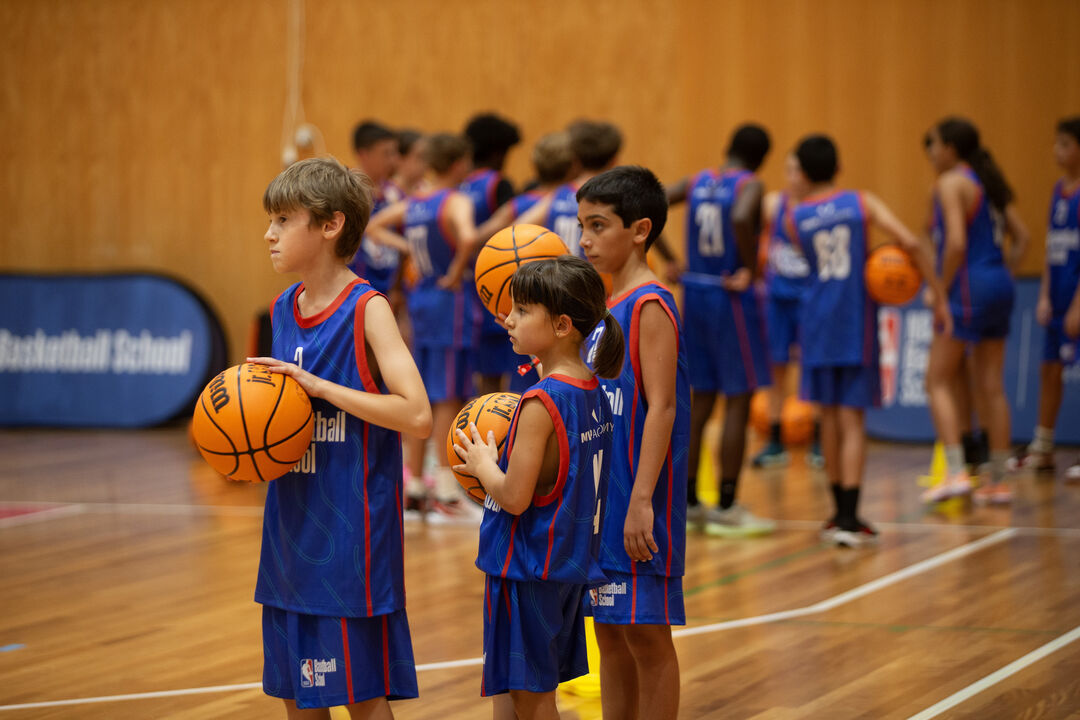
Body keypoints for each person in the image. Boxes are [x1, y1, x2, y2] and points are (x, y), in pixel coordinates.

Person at [250, 156, 433, 717]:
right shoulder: (283, 308)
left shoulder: (367, 308)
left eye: (283, 220)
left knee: (361, 700)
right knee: (297, 698)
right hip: (288, 529)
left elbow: (417, 414)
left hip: (349, 538)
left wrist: (323, 389)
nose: (269, 233)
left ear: (330, 225)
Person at [452, 256, 622, 720]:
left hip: (528, 566)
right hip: (567, 564)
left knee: (532, 697)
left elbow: (513, 496)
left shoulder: (541, 402)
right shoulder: (594, 389)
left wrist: (481, 462)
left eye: (523, 310)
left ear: (562, 324)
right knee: (513, 687)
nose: (508, 318)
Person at [788, 135, 950, 546]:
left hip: (817, 318)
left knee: (827, 416)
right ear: (838, 168)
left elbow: (811, 264)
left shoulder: (796, 217)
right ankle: (849, 516)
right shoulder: (862, 203)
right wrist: (936, 290)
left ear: (803, 174)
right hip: (854, 318)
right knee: (852, 418)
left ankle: (835, 513)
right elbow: (910, 243)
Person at [578, 166, 687, 719]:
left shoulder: (650, 304)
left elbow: (662, 406)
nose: (585, 240)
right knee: (610, 637)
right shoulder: (604, 309)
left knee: (646, 637)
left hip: (638, 501)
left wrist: (643, 498)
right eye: (582, 226)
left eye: (598, 226)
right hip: (602, 503)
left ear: (640, 229)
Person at [665, 123, 775, 536]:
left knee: (701, 401)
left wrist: (670, 258)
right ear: (761, 157)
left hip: (696, 294)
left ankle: (690, 501)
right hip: (731, 297)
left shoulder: (698, 181)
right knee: (739, 400)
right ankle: (727, 504)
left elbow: (652, 202)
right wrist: (749, 266)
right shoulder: (750, 184)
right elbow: (744, 215)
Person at [367, 133, 483, 522]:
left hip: (421, 301)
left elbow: (374, 226)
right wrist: (455, 269)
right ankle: (446, 490)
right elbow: (467, 236)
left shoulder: (415, 203)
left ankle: (415, 485)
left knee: (421, 393)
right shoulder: (457, 199)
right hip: (450, 300)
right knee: (449, 396)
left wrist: (408, 251)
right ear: (458, 164)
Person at [921, 117, 1030, 504]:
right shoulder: (989, 182)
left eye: (934, 145)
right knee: (990, 386)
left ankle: (954, 472)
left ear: (950, 147)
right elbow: (1024, 238)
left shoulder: (951, 183)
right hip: (998, 282)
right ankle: (998, 481)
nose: (931, 153)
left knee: (935, 380)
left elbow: (954, 243)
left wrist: (939, 290)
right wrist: (1002, 275)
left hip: (968, 285)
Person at [475, 131, 578, 393]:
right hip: (560, 305)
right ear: (572, 165)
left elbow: (481, 237)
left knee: (513, 381)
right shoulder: (573, 200)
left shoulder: (518, 205)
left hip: (511, 304)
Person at [1013, 117, 1080, 480]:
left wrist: (1077, 305)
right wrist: (1042, 296)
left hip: (1076, 300)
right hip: (1056, 298)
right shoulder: (1059, 190)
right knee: (1049, 370)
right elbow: (1052, 248)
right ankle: (1044, 446)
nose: (1057, 151)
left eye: (1065, 144)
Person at [754, 153, 823, 469]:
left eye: (798, 170)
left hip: (810, 299)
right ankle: (775, 440)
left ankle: (820, 440)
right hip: (778, 299)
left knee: (813, 369)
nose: (793, 176)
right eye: (789, 169)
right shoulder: (773, 204)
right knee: (776, 370)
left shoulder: (821, 209)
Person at [461, 113, 522, 396]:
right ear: (499, 152)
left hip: (473, 286)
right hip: (505, 284)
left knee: (485, 377)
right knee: (518, 369)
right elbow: (515, 235)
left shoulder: (461, 185)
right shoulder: (499, 184)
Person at [512, 119, 622, 257]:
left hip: (561, 275)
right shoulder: (617, 195)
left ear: (576, 160)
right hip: (595, 276)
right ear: (614, 161)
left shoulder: (560, 193)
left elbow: (515, 232)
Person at [348, 120, 404, 295]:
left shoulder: (395, 193)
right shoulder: (345, 193)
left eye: (394, 153)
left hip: (389, 287)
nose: (393, 160)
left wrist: (397, 289)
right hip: (356, 289)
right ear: (363, 154)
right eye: (386, 153)